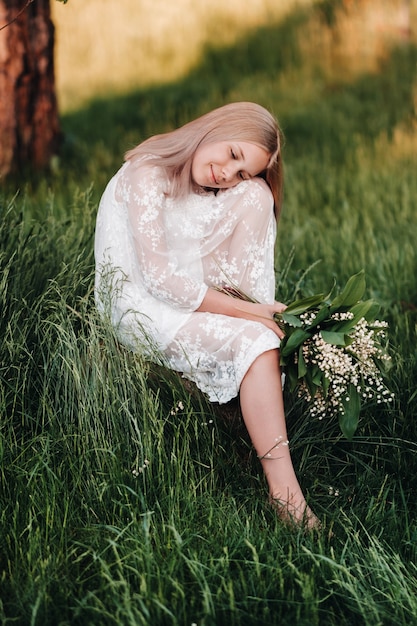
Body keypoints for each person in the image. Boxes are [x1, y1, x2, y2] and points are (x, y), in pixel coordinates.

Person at [94, 101, 319, 528]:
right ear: (214, 128)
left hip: (192, 291)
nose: (226, 174)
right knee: (257, 338)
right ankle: (286, 495)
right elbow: (158, 279)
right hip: (140, 303)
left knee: (259, 195)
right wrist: (251, 313)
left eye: (239, 171)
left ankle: (255, 347)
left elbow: (233, 211)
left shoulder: (216, 186)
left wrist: (250, 306)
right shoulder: (148, 171)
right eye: (233, 155)